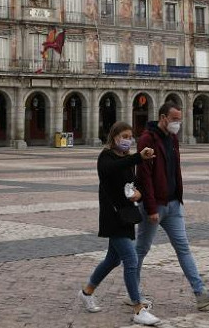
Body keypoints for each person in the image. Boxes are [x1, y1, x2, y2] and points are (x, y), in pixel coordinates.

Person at [135, 103, 209, 311]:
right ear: (163, 117)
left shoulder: (173, 139)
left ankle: (200, 293)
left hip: (173, 204)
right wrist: (150, 208)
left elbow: (175, 170)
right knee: (141, 249)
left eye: (179, 119)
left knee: (183, 248)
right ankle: (133, 292)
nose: (178, 123)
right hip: (155, 205)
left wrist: (178, 197)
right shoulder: (147, 139)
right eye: (174, 119)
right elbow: (144, 176)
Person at [79, 121, 161, 326]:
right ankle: (137, 308)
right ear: (114, 137)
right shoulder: (106, 157)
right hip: (112, 217)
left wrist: (139, 194)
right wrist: (138, 156)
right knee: (131, 261)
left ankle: (86, 292)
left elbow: (133, 182)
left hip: (126, 215)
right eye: (124, 136)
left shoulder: (127, 159)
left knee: (112, 260)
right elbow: (112, 169)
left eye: (130, 136)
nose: (128, 140)